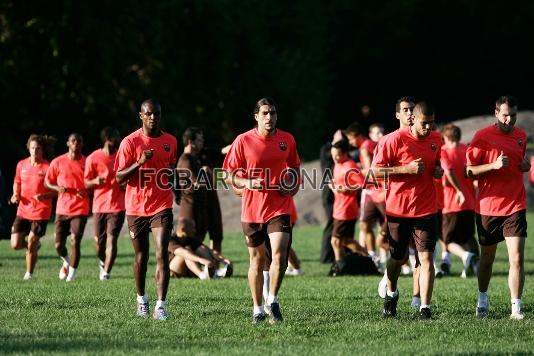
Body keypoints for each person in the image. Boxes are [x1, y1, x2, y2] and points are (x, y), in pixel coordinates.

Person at [223, 97, 300, 324]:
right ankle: (257, 308)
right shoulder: (243, 140)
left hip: (279, 206)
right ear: (256, 116)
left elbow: (295, 166)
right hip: (252, 209)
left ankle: (272, 300)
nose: (270, 117)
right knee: (256, 262)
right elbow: (227, 173)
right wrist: (246, 183)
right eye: (265, 113)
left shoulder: (287, 139)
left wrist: (292, 185)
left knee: (280, 255)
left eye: (273, 113)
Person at [372, 101, 443, 320]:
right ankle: (391, 293)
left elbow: (435, 163)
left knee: (426, 258)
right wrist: (406, 169)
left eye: (432, 123)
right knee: (397, 259)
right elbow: (375, 173)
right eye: (425, 123)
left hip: (426, 208)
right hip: (398, 209)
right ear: (413, 119)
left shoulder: (436, 139)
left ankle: (424, 308)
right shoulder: (392, 140)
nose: (429, 128)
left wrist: (437, 170)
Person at [466, 95, 530, 320]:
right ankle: (482, 298)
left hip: (515, 205)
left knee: (517, 258)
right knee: (487, 259)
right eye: (505, 115)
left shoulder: (521, 136)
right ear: (496, 113)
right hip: (488, 206)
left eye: (512, 115)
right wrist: (492, 165)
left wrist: (525, 166)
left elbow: (520, 164)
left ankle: (516, 307)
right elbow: (469, 170)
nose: (509, 119)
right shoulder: (482, 137)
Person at [115, 99, 178, 321]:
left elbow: (170, 170)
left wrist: (176, 186)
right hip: (136, 207)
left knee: (162, 252)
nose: (153, 117)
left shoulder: (170, 141)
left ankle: (161, 305)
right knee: (141, 256)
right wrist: (139, 162)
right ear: (141, 115)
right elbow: (119, 177)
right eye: (149, 114)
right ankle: (142, 299)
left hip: (162, 205)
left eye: (157, 114)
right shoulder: (129, 142)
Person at [45, 133, 90, 282]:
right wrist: (57, 188)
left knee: (75, 240)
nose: (76, 143)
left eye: (79, 141)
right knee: (58, 245)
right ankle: (66, 260)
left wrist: (87, 190)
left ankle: (72, 274)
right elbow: (47, 182)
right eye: (73, 140)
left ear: (82, 144)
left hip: (80, 208)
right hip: (62, 209)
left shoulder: (87, 162)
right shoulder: (57, 162)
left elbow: (94, 184)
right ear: (68, 143)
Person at [10, 135, 56, 280]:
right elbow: (17, 182)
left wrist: (44, 196)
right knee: (15, 244)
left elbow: (56, 190)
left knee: (31, 242)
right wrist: (15, 194)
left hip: (41, 211)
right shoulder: (21, 165)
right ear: (28, 149)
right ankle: (35, 246)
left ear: (42, 150)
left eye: (37, 148)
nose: (35, 151)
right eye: (32, 148)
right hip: (23, 210)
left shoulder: (48, 167)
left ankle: (29, 274)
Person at [84, 127, 125, 281]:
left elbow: (128, 177)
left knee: (112, 238)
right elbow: (86, 183)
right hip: (99, 206)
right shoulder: (93, 158)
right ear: (108, 138)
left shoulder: (121, 157)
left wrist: (124, 184)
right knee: (99, 244)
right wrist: (95, 181)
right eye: (116, 136)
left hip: (118, 206)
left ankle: (106, 272)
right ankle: (103, 261)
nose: (119, 139)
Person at [439, 124, 479, 278]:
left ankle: (466, 257)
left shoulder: (443, 151)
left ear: (446, 138)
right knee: (468, 236)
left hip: (452, 203)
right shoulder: (466, 149)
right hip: (470, 203)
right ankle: (473, 266)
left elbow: (448, 172)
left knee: (447, 240)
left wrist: (458, 190)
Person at [329, 139, 367, 265]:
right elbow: (335, 183)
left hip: (347, 209)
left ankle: (339, 266)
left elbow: (363, 184)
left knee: (335, 241)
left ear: (345, 154)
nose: (335, 157)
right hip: (339, 208)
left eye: (337, 155)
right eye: (333, 154)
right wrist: (332, 186)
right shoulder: (337, 164)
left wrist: (347, 188)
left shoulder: (350, 166)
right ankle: (365, 258)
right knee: (345, 241)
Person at [358, 123, 386, 266]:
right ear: (370, 135)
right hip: (372, 191)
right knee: (365, 225)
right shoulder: (368, 145)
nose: (380, 135)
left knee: (388, 228)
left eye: (382, 132)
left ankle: (406, 260)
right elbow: (370, 171)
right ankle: (372, 257)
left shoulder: (387, 144)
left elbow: (369, 171)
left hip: (384, 191)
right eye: (377, 132)